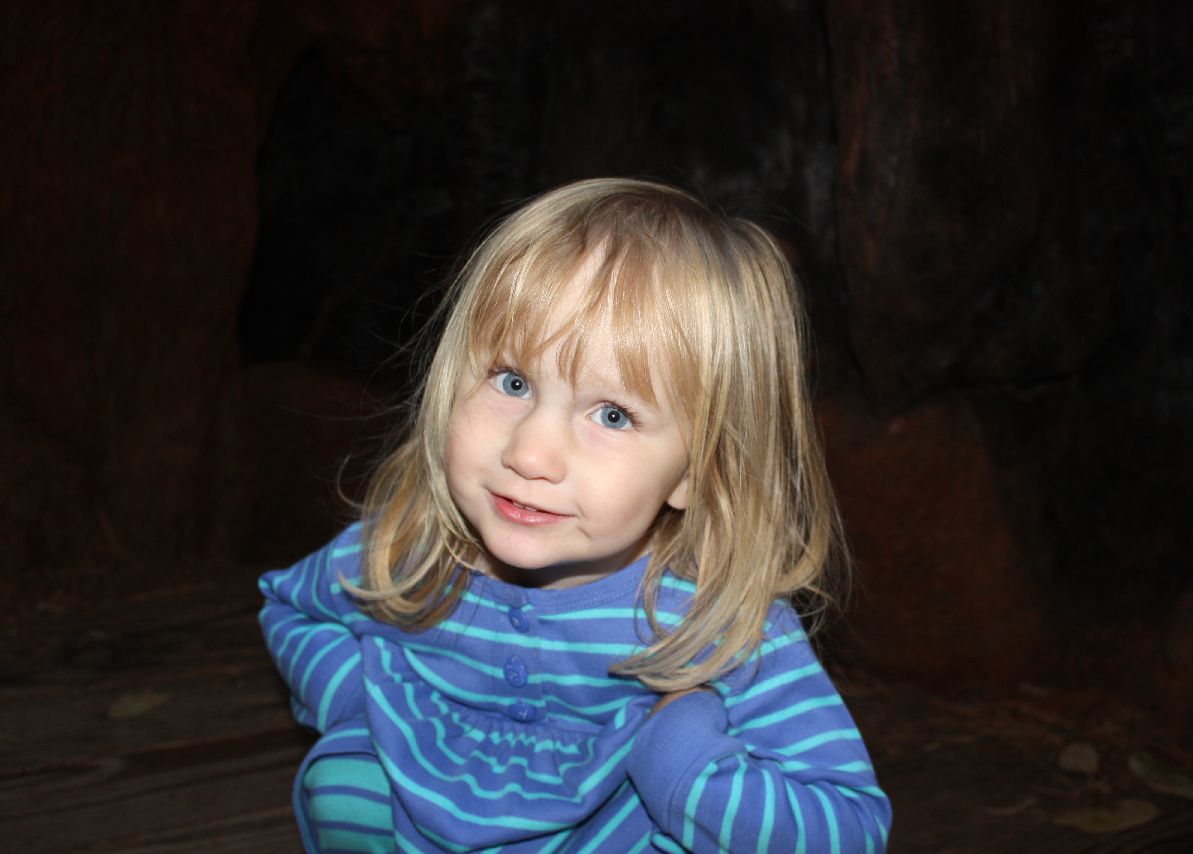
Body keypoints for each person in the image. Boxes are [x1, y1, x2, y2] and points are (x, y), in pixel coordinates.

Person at [260, 177, 891, 852]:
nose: (531, 453)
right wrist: (363, 709)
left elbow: (850, 827)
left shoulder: (718, 621)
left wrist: (684, 768)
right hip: (408, 819)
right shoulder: (408, 551)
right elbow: (291, 607)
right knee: (347, 784)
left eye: (613, 415)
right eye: (512, 382)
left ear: (697, 471)